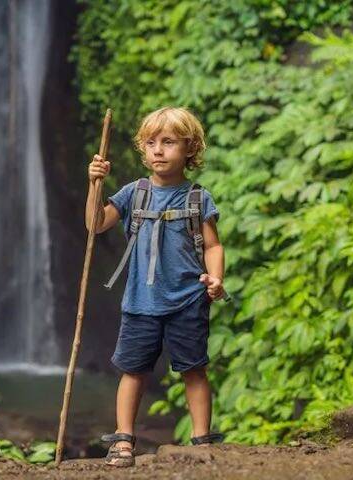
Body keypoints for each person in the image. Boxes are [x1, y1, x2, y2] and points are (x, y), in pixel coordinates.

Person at [85, 106, 226, 467]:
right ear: (142, 150)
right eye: (150, 143)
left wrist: (215, 277)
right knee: (133, 370)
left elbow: (212, 245)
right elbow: (96, 223)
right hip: (141, 301)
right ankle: (123, 440)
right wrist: (94, 184)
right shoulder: (135, 193)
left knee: (194, 369)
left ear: (190, 149)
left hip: (187, 299)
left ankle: (201, 441)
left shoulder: (197, 198)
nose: (158, 150)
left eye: (169, 142)